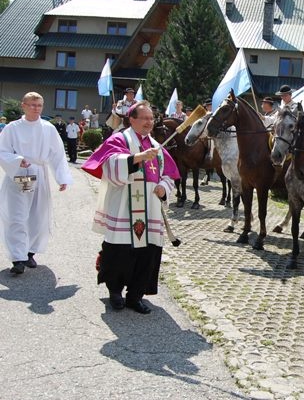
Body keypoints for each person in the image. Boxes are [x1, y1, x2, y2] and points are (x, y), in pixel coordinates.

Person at [81, 101, 180, 313]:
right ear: (131, 119)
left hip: (151, 208)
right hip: (124, 205)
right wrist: (137, 157)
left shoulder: (157, 146)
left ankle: (135, 295)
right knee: (120, 250)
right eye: (144, 118)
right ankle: (115, 293)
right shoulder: (120, 139)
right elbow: (109, 163)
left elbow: (169, 174)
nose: (148, 122)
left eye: (151, 119)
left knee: (147, 252)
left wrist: (163, 186)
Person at [0, 92, 72, 275]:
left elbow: (57, 153)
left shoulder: (48, 128)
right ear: (23, 105)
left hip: (39, 173)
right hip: (20, 173)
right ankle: (17, 257)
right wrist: (17, 160)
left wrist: (62, 177)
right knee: (18, 215)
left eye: (39, 105)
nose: (36, 108)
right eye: (32, 105)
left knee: (37, 215)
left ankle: (29, 252)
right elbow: (2, 150)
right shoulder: (12, 128)